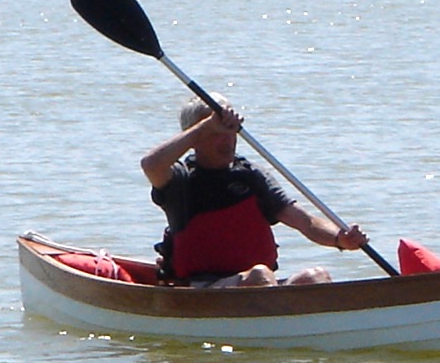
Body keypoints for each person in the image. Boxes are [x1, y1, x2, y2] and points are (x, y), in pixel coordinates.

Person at [141, 94, 368, 288]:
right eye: (215, 132)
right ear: (195, 137)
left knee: (317, 277)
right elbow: (150, 164)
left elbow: (304, 221)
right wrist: (203, 127)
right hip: (203, 289)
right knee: (260, 275)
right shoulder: (179, 180)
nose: (226, 139)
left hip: (256, 287)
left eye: (230, 130)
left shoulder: (251, 176)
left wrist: (340, 239)